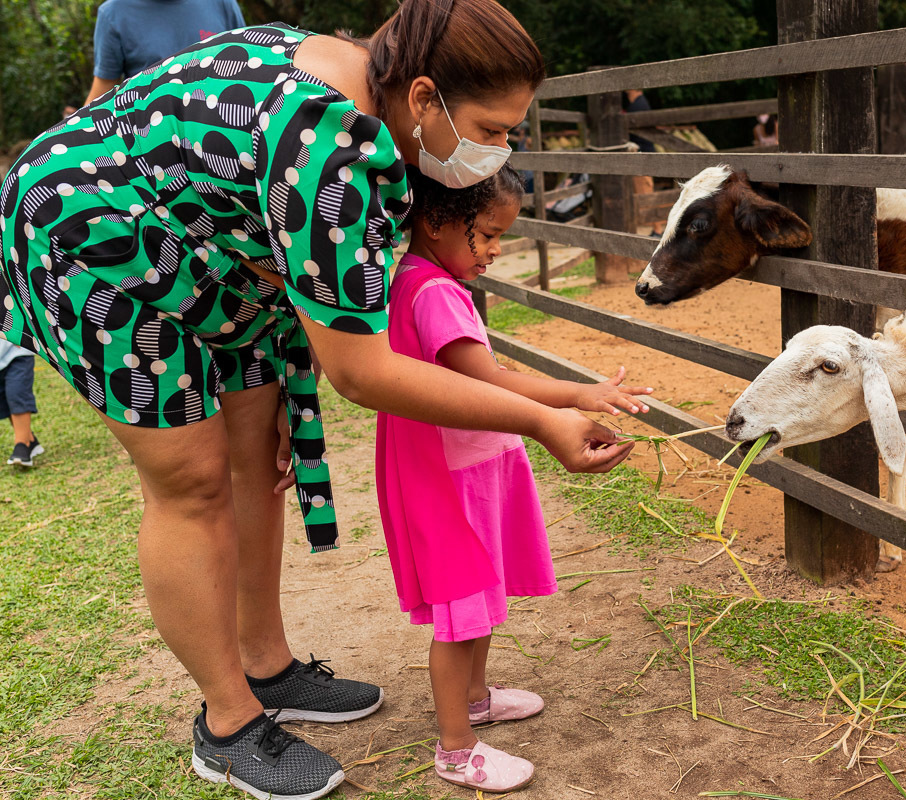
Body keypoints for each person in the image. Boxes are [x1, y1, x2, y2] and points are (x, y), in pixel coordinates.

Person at [0, 2, 634, 799]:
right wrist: (542, 419)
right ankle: (227, 724)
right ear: (426, 98)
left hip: (209, 252)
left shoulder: (364, 81)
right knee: (192, 480)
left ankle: (266, 668)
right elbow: (361, 372)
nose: (501, 148)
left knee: (254, 458)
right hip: (89, 234)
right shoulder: (327, 137)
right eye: (493, 126)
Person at [379, 164, 652, 793]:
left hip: (474, 461)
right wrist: (578, 395)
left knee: (480, 598)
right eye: (488, 234)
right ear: (436, 220)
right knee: (463, 609)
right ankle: (456, 747)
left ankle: (475, 697)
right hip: (453, 476)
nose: (497, 251)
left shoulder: (423, 279)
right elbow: (491, 381)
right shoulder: (433, 291)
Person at [85, 0, 245, 104]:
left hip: (221, 135)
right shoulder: (113, 13)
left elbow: (246, 71)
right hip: (156, 143)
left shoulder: (223, 3)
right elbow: (100, 97)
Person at [624, 89, 665, 235]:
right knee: (643, 192)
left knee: (646, 193)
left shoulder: (638, 106)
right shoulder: (638, 104)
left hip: (642, 157)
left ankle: (658, 230)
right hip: (642, 155)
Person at [0, 340, 42, 467]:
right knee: (4, 400)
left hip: (17, 350)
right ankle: (30, 440)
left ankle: (22, 444)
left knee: (17, 392)